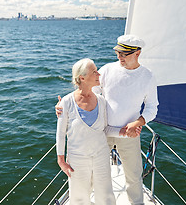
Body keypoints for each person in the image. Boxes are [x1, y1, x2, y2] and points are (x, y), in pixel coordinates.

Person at [57, 35, 159, 205]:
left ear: (137, 53)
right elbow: (90, 95)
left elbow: (152, 107)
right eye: (118, 52)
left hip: (128, 134)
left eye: (124, 54)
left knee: (134, 177)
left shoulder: (147, 76)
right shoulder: (107, 70)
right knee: (93, 177)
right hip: (101, 133)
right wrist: (65, 106)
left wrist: (138, 122)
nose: (119, 57)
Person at [56, 58, 117, 205]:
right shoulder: (67, 101)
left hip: (101, 156)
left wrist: (125, 132)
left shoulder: (101, 100)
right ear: (82, 78)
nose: (98, 74)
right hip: (77, 159)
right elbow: (60, 134)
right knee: (79, 198)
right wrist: (61, 161)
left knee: (106, 196)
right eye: (94, 71)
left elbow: (106, 128)